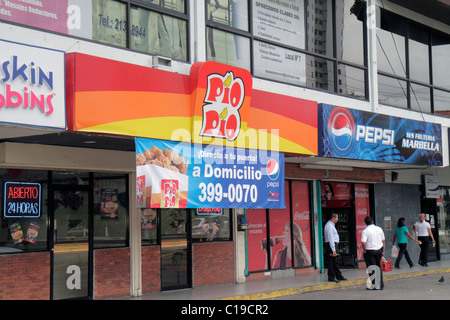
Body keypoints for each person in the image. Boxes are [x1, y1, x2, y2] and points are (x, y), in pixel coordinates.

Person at [361, 216, 385, 290]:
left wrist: (364, 250)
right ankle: (381, 284)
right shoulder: (379, 229)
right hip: (379, 250)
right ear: (372, 221)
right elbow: (383, 241)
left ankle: (374, 285)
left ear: (365, 223)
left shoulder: (365, 231)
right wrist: (383, 251)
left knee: (372, 268)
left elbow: (363, 242)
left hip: (370, 251)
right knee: (378, 266)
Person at [324, 213, 346, 282]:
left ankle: (338, 275)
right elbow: (330, 238)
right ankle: (332, 276)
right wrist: (333, 249)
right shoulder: (329, 226)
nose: (337, 219)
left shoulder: (331, 225)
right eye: (337, 218)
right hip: (331, 245)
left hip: (333, 245)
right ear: (333, 218)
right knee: (332, 262)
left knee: (335, 261)